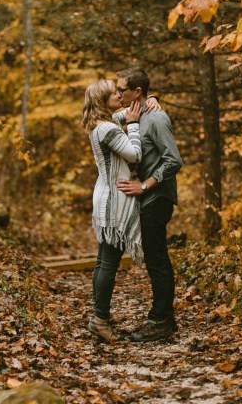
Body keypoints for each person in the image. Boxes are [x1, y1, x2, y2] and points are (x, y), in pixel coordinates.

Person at [81, 79, 160, 343]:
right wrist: (135, 126)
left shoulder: (99, 123)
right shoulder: (108, 129)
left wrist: (151, 98)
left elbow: (125, 112)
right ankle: (101, 320)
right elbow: (135, 154)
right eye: (113, 93)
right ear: (102, 101)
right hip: (115, 198)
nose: (119, 94)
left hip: (104, 194)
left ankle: (98, 316)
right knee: (109, 262)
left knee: (103, 260)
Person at [115, 66, 182, 342]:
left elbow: (173, 160)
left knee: (157, 260)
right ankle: (161, 318)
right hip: (148, 199)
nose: (117, 94)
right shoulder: (136, 112)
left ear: (137, 92)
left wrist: (144, 186)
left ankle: (161, 321)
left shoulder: (156, 119)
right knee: (154, 259)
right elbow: (107, 114)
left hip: (158, 198)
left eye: (122, 90)